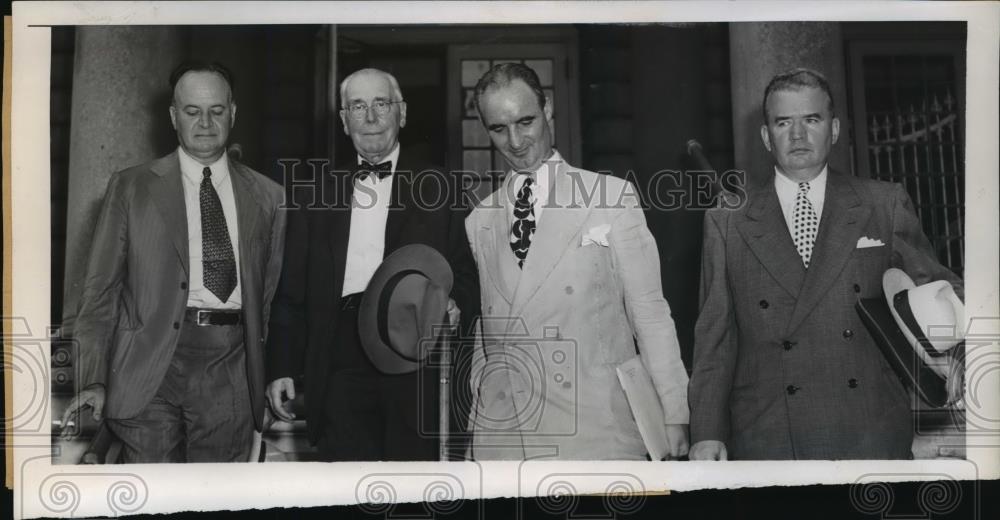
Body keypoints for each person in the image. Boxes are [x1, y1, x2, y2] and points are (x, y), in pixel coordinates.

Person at [688, 68, 964, 460]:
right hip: (769, 434)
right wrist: (706, 433)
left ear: (833, 129)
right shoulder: (728, 220)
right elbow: (714, 340)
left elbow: (938, 290)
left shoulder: (882, 203)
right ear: (767, 136)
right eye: (783, 122)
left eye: (811, 120)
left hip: (870, 429)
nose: (797, 135)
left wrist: (953, 357)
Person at [61, 62, 287, 462]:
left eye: (216, 111)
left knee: (217, 499)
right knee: (155, 496)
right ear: (173, 116)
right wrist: (94, 378)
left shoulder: (268, 197)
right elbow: (100, 293)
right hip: (148, 368)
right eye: (191, 111)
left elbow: (267, 297)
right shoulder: (131, 187)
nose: (205, 122)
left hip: (229, 367)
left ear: (233, 114)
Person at [464, 63, 689, 460]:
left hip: (595, 430)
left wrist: (676, 412)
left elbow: (650, 313)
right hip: (504, 438)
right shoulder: (479, 220)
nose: (516, 141)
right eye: (499, 129)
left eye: (526, 121)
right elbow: (487, 333)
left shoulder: (609, 197)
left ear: (548, 108)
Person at [265, 68, 479, 461]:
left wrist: (455, 303)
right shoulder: (315, 195)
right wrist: (280, 366)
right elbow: (291, 292)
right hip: (339, 354)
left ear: (402, 113)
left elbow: (467, 274)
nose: (371, 117)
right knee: (348, 483)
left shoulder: (441, 188)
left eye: (381, 104)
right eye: (358, 107)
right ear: (344, 122)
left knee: (413, 483)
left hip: (415, 354)